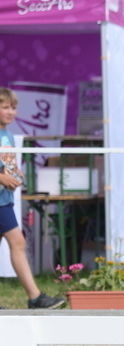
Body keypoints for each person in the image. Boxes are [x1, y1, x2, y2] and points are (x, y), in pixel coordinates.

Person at [0, 87, 65, 309]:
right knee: (18, 242)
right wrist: (2, 178)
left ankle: (35, 297)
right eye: (5, 107)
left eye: (14, 107)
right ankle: (35, 297)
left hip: (4, 199)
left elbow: (8, 164)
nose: (11, 112)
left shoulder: (7, 135)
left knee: (16, 243)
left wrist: (15, 175)